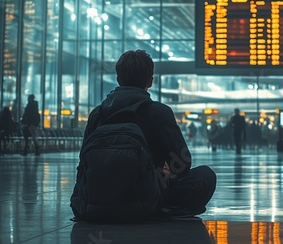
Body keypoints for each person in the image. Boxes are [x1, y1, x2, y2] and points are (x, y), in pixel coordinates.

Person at [79, 49, 216, 217]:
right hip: (145, 199)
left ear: (118, 79)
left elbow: (82, 163)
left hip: (96, 202)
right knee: (205, 176)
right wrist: (164, 171)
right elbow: (183, 164)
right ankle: (164, 210)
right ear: (150, 81)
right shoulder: (159, 112)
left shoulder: (97, 114)